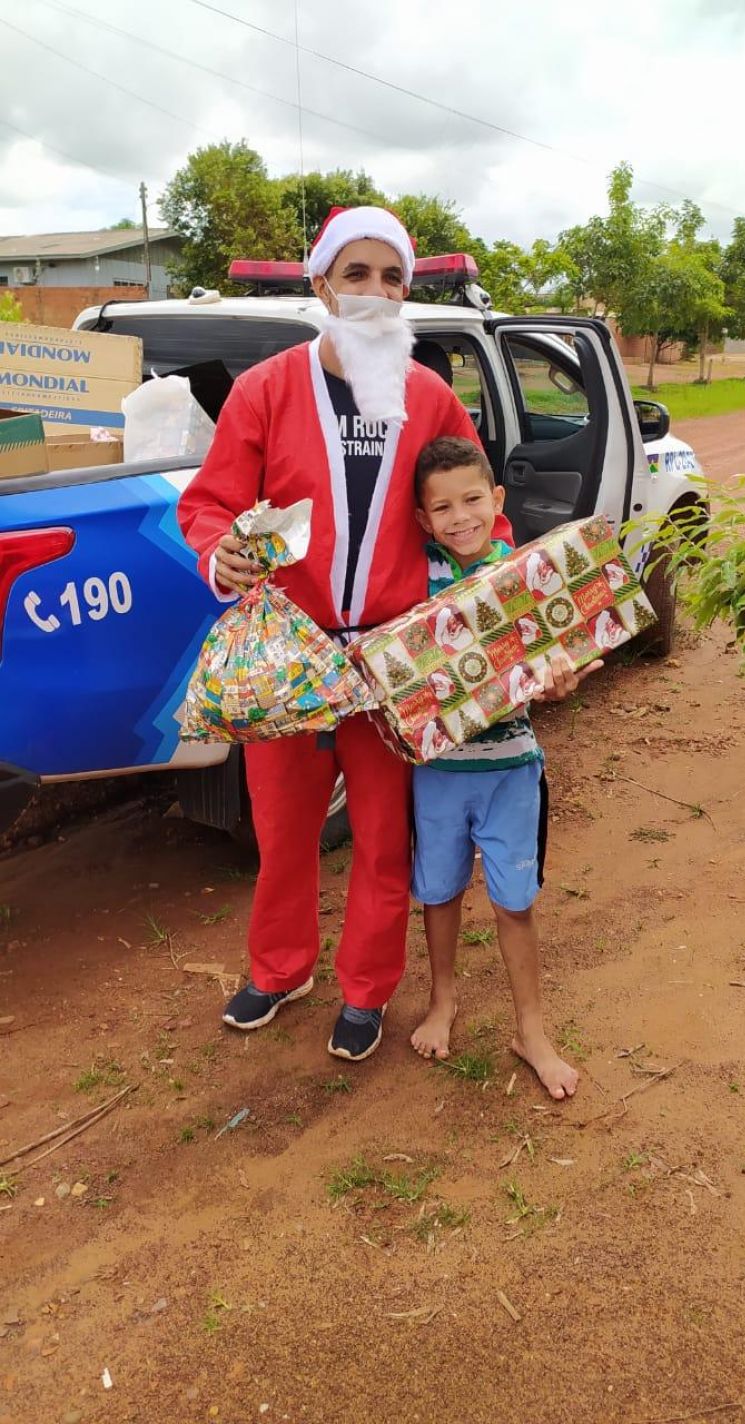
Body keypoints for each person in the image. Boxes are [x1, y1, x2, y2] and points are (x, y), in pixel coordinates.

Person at [178, 206, 509, 1062]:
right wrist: (222, 555)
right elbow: (211, 503)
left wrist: (495, 589)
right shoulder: (267, 389)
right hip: (290, 658)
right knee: (283, 831)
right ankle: (280, 968)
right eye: (355, 274)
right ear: (321, 284)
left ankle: (366, 989)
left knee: (381, 835)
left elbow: (475, 511)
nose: (373, 291)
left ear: (406, 292)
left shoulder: (429, 396)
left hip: (391, 660)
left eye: (391, 277)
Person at [408, 436, 602, 1099]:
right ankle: (441, 1002)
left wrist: (560, 680)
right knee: (438, 893)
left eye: (472, 501)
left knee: (514, 904)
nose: (460, 518)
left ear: (497, 500)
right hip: (437, 773)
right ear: (423, 518)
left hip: (512, 769)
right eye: (442, 508)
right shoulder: (414, 580)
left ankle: (531, 1032)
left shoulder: (525, 577)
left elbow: (557, 660)